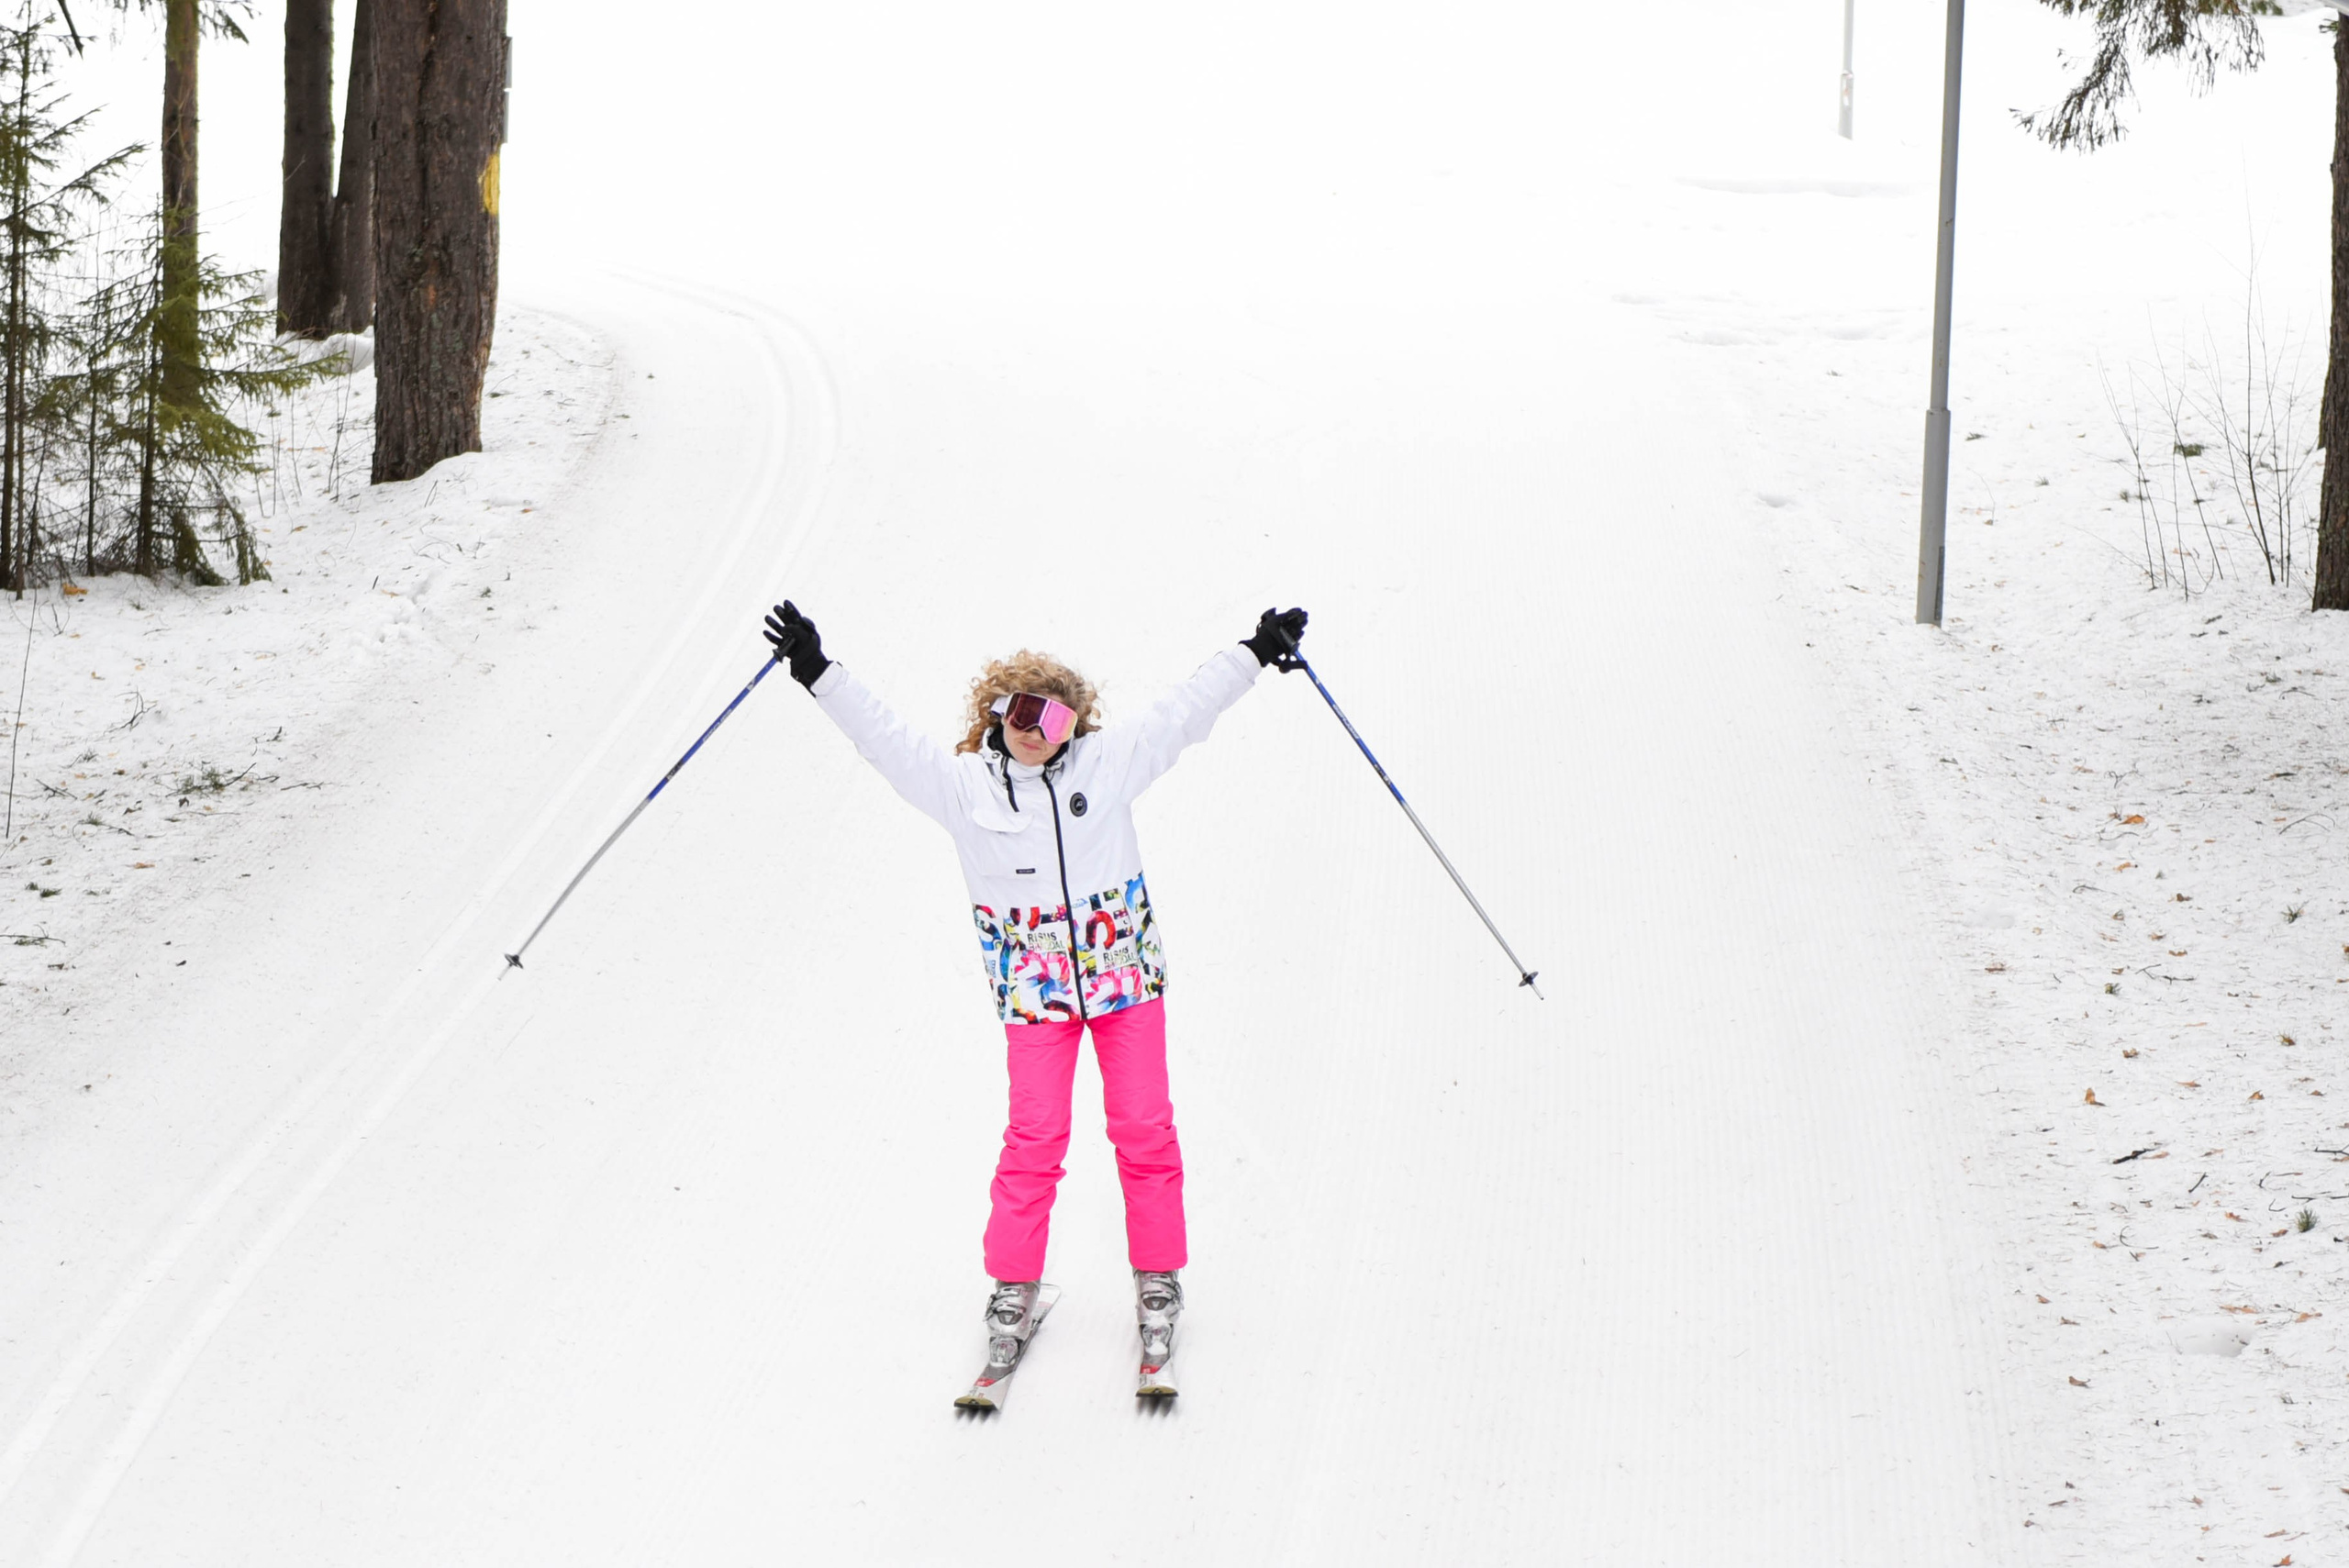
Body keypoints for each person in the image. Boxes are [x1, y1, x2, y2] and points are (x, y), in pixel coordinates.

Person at [763, 599, 1308, 1400]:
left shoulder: (1105, 766)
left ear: (1075, 725)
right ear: (998, 711)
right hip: (1036, 992)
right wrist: (818, 670)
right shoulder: (962, 789)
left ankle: (1158, 1282)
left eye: (1055, 718)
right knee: (1034, 1139)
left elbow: (1185, 713)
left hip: (1124, 979)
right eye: (1023, 711)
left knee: (1144, 1128)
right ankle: (1013, 1291)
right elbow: (885, 739)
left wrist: (1256, 650)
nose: (1037, 730)